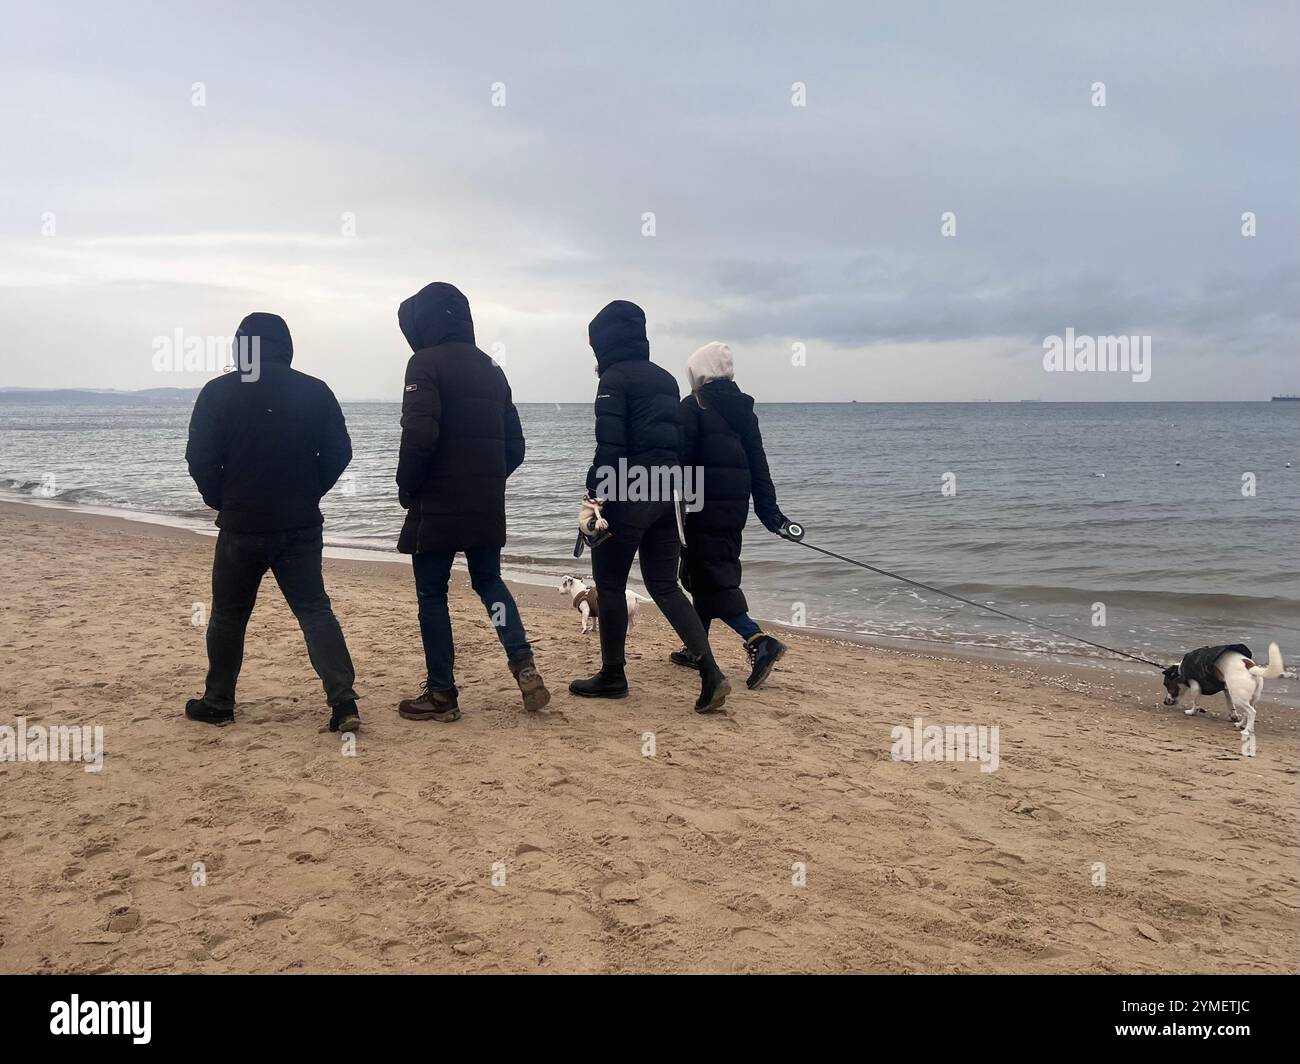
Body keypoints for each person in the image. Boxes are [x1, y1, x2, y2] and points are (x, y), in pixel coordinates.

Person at [183, 312, 360, 732]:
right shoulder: (315, 391)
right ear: (286, 345)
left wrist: (221, 498)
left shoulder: (218, 392)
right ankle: (344, 704)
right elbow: (340, 452)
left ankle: (219, 701)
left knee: (228, 616)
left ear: (241, 347)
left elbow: (200, 458)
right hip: (298, 521)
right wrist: (309, 490)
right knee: (315, 611)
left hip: (241, 523)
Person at [393, 282, 549, 723]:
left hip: (436, 504)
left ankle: (442, 691)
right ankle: (523, 664)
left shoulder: (423, 363)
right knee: (490, 583)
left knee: (432, 593)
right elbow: (516, 447)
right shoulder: (492, 369)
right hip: (484, 501)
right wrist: (487, 479)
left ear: (425, 321)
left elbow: (419, 437)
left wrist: (408, 487)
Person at [568, 300, 730, 713]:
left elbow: (611, 447)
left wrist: (593, 499)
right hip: (668, 491)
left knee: (607, 583)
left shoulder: (613, 380)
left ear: (603, 342)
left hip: (629, 491)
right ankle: (711, 671)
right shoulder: (664, 378)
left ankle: (613, 675)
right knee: (664, 585)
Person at [675, 342, 798, 689]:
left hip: (700, 508)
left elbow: (678, 461)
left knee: (709, 577)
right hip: (733, 508)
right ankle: (694, 648)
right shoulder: (745, 412)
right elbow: (759, 466)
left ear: (698, 372)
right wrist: (771, 515)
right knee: (703, 574)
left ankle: (758, 640)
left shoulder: (692, 406)